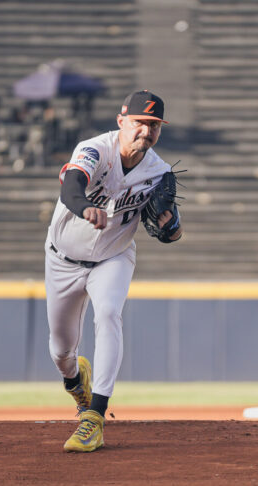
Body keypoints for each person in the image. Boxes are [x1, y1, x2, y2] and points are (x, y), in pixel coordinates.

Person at [45, 90, 182, 453]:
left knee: (108, 314)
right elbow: (71, 188)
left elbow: (170, 229)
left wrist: (171, 228)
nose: (146, 131)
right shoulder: (94, 149)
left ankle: (94, 416)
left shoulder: (160, 173)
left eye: (155, 125)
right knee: (61, 351)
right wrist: (84, 207)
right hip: (63, 259)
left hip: (113, 257)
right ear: (122, 121)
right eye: (140, 122)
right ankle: (76, 382)